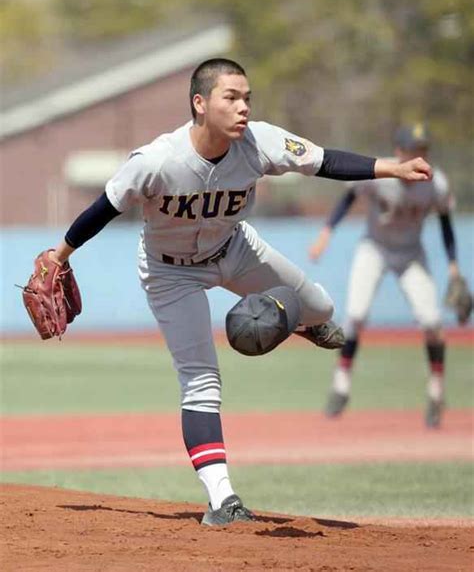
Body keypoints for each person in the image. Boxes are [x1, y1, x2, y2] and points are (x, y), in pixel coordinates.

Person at [48, 59, 432, 525]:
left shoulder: (259, 142)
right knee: (201, 378)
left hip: (235, 248)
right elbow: (102, 209)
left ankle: (300, 325)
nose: (243, 107)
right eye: (231, 97)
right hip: (171, 273)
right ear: (200, 103)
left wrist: (391, 168)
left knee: (322, 307)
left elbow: (324, 160)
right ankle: (222, 499)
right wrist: (58, 255)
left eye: (247, 97)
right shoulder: (156, 161)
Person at [308, 123, 460, 429]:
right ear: (399, 152)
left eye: (423, 149)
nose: (420, 155)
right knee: (356, 314)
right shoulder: (383, 172)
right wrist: (327, 232)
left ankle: (436, 391)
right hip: (374, 249)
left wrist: (453, 264)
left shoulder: (436, 183)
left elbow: (445, 222)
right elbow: (349, 196)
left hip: (411, 254)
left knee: (432, 322)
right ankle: (341, 384)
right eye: (413, 150)